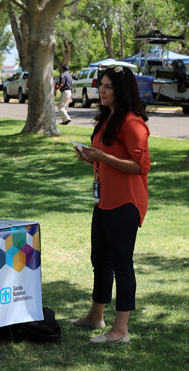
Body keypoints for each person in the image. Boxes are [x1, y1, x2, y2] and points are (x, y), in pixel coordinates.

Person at [69, 66, 150, 343]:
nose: (101, 91)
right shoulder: (107, 119)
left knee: (121, 264)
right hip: (103, 200)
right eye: (100, 85)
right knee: (99, 259)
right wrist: (90, 157)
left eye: (108, 87)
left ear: (121, 90)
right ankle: (96, 315)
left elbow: (140, 167)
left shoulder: (132, 122)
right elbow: (106, 158)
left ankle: (121, 329)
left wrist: (102, 157)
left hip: (125, 203)